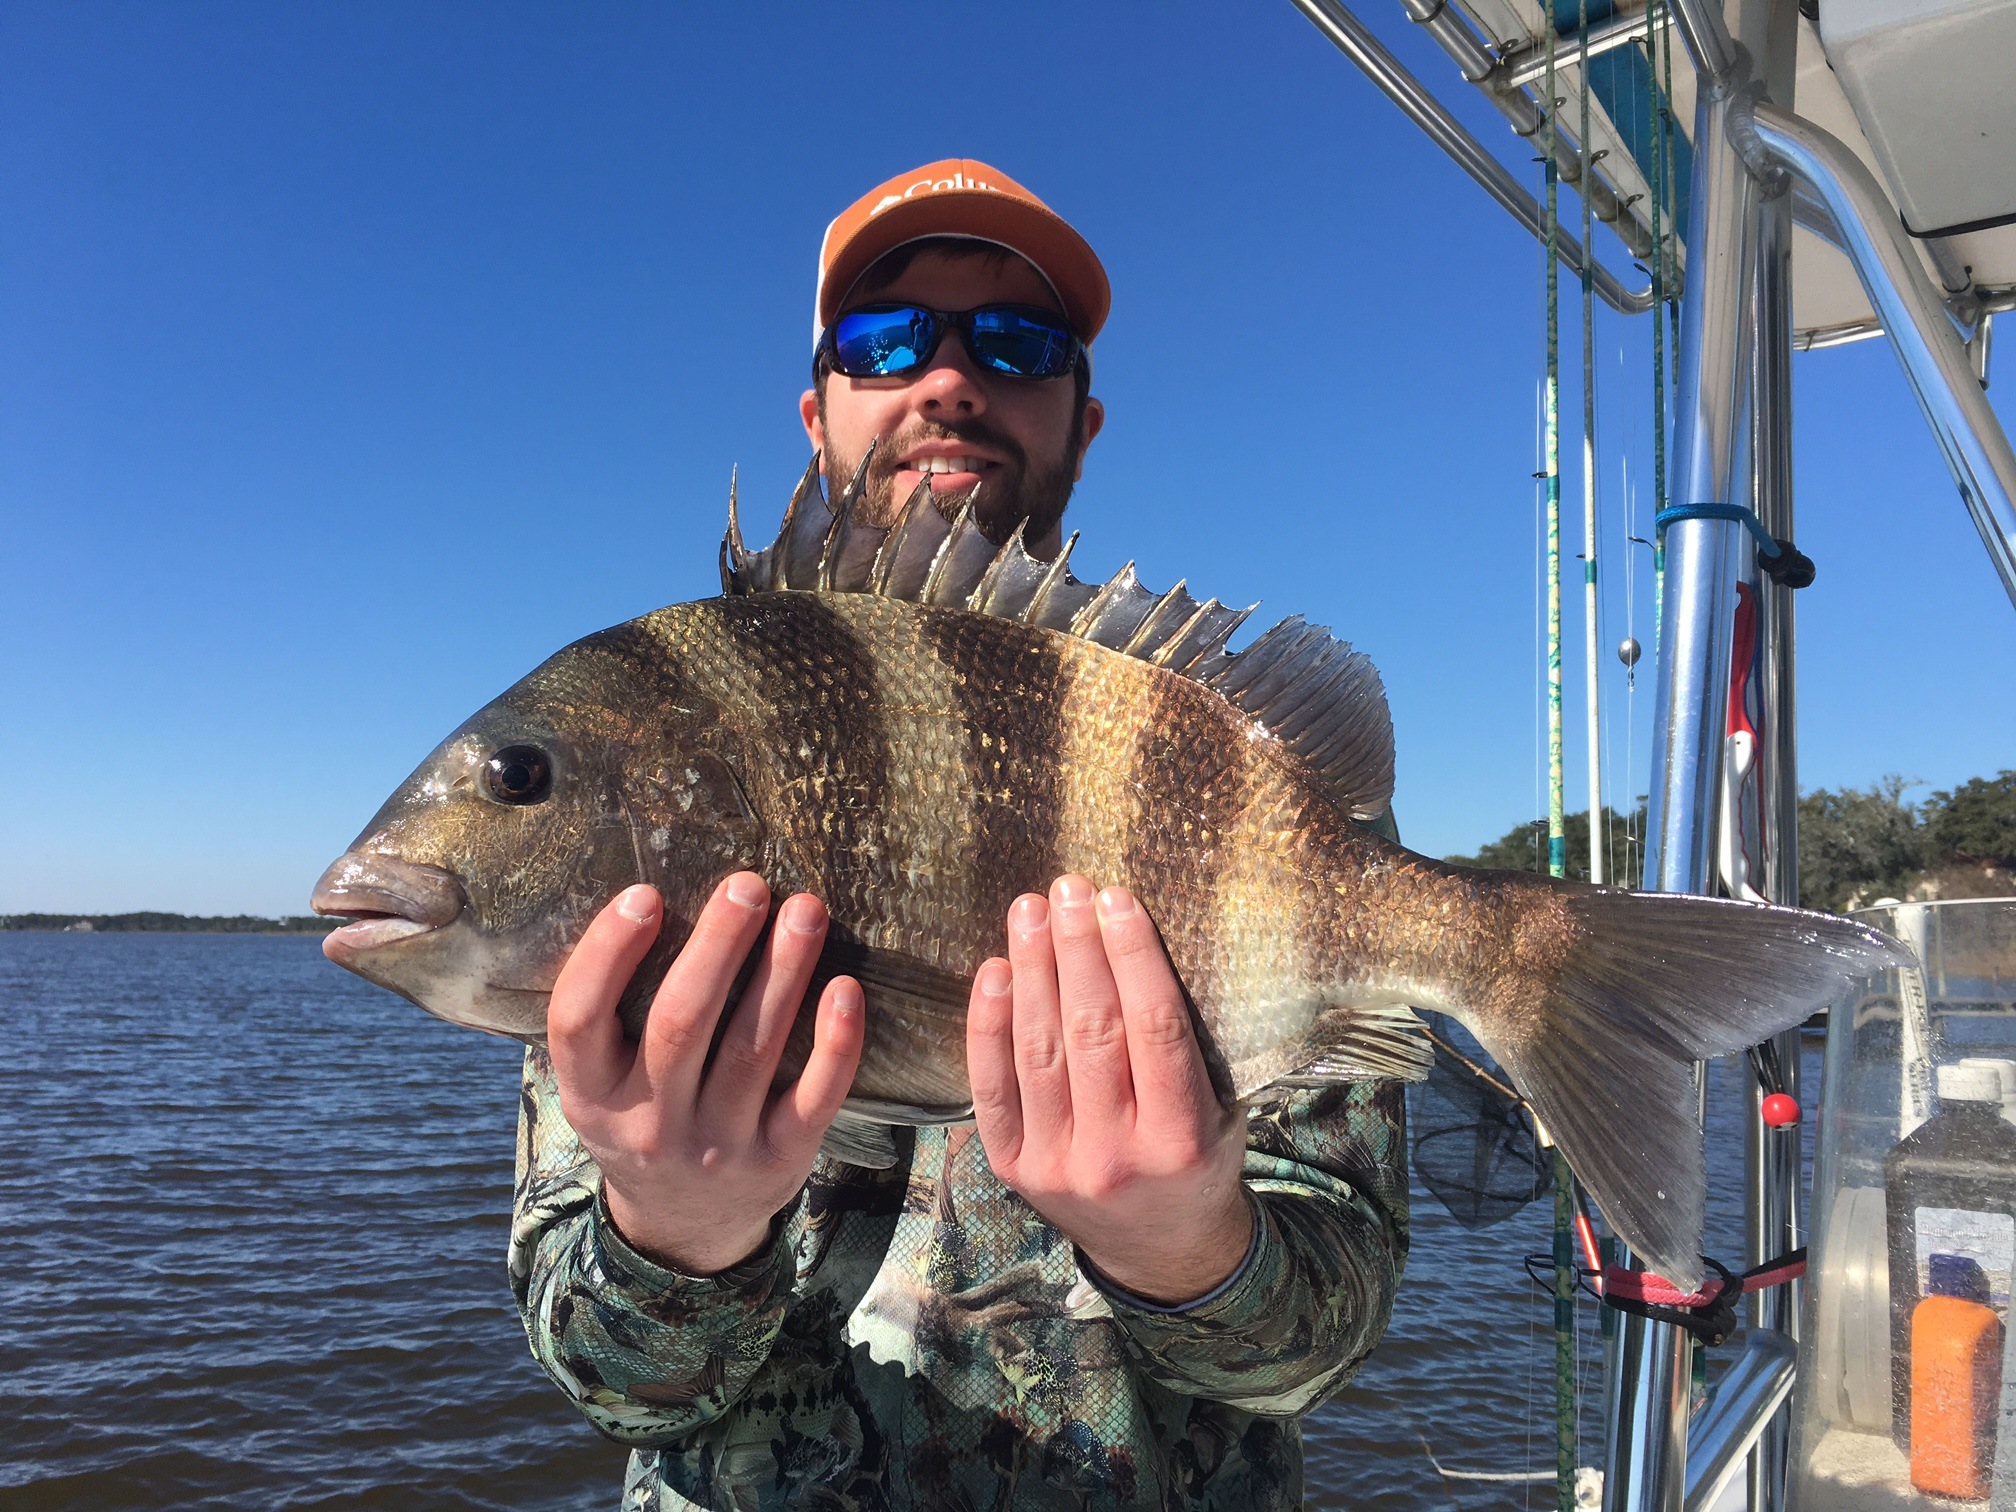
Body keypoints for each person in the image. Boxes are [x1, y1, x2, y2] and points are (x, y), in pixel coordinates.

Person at [510, 159, 1409, 1511]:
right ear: (819, 411)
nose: (947, 378)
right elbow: (612, 1386)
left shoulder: (1236, 778)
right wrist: (677, 1230)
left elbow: (1314, 1355)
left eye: (1014, 341)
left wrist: (1185, 1243)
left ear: (1081, 420)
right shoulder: (677, 753)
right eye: (884, 340)